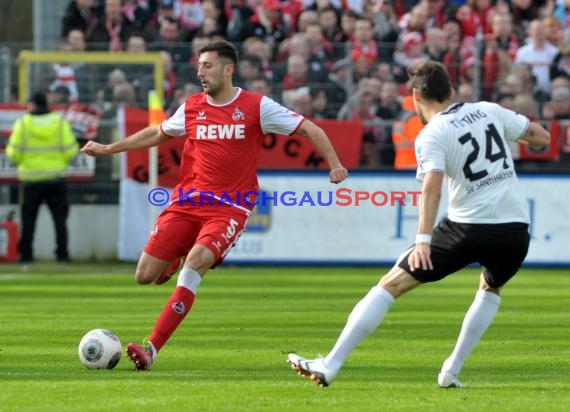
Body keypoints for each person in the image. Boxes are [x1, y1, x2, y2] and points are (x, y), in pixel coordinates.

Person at [81, 40, 348, 371]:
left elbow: (309, 128)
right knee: (143, 275)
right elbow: (157, 133)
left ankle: (151, 348)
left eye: (207, 66)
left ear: (228, 69)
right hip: (187, 201)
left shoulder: (256, 107)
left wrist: (334, 164)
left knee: (195, 265)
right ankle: (177, 254)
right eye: (198, 66)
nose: (200, 72)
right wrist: (109, 149)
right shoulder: (191, 106)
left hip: (229, 208)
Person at [287, 60, 551, 388]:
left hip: (467, 228)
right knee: (490, 288)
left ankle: (330, 364)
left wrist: (423, 239)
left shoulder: (432, 134)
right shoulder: (488, 110)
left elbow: (431, 186)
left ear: (415, 96)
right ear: (451, 91)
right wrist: (526, 140)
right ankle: (451, 371)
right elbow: (540, 137)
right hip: (515, 231)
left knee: (390, 284)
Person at [6, 92, 79, 263]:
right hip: (56, 178)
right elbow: (71, 149)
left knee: (28, 219)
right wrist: (58, 162)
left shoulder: (23, 123)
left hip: (30, 180)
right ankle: (62, 254)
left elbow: (13, 152)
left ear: (32, 103)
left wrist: (24, 163)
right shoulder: (59, 122)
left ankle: (26, 255)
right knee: (59, 219)